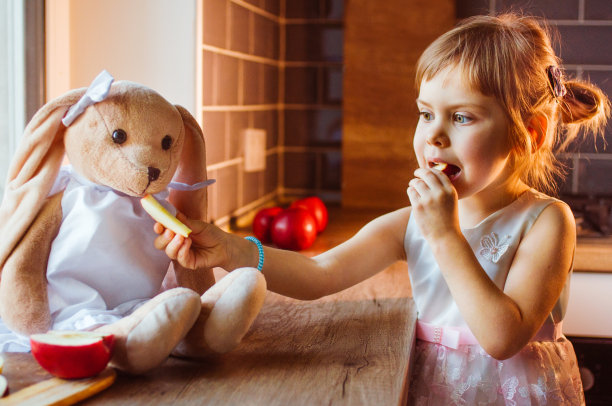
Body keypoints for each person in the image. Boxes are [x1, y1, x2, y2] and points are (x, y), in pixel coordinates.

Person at [154, 13, 609, 405]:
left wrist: (445, 236)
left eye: (462, 116)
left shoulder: (546, 222)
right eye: (426, 113)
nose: (434, 136)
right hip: (432, 388)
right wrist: (232, 251)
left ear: (528, 132)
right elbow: (320, 275)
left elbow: (502, 338)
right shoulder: (412, 223)